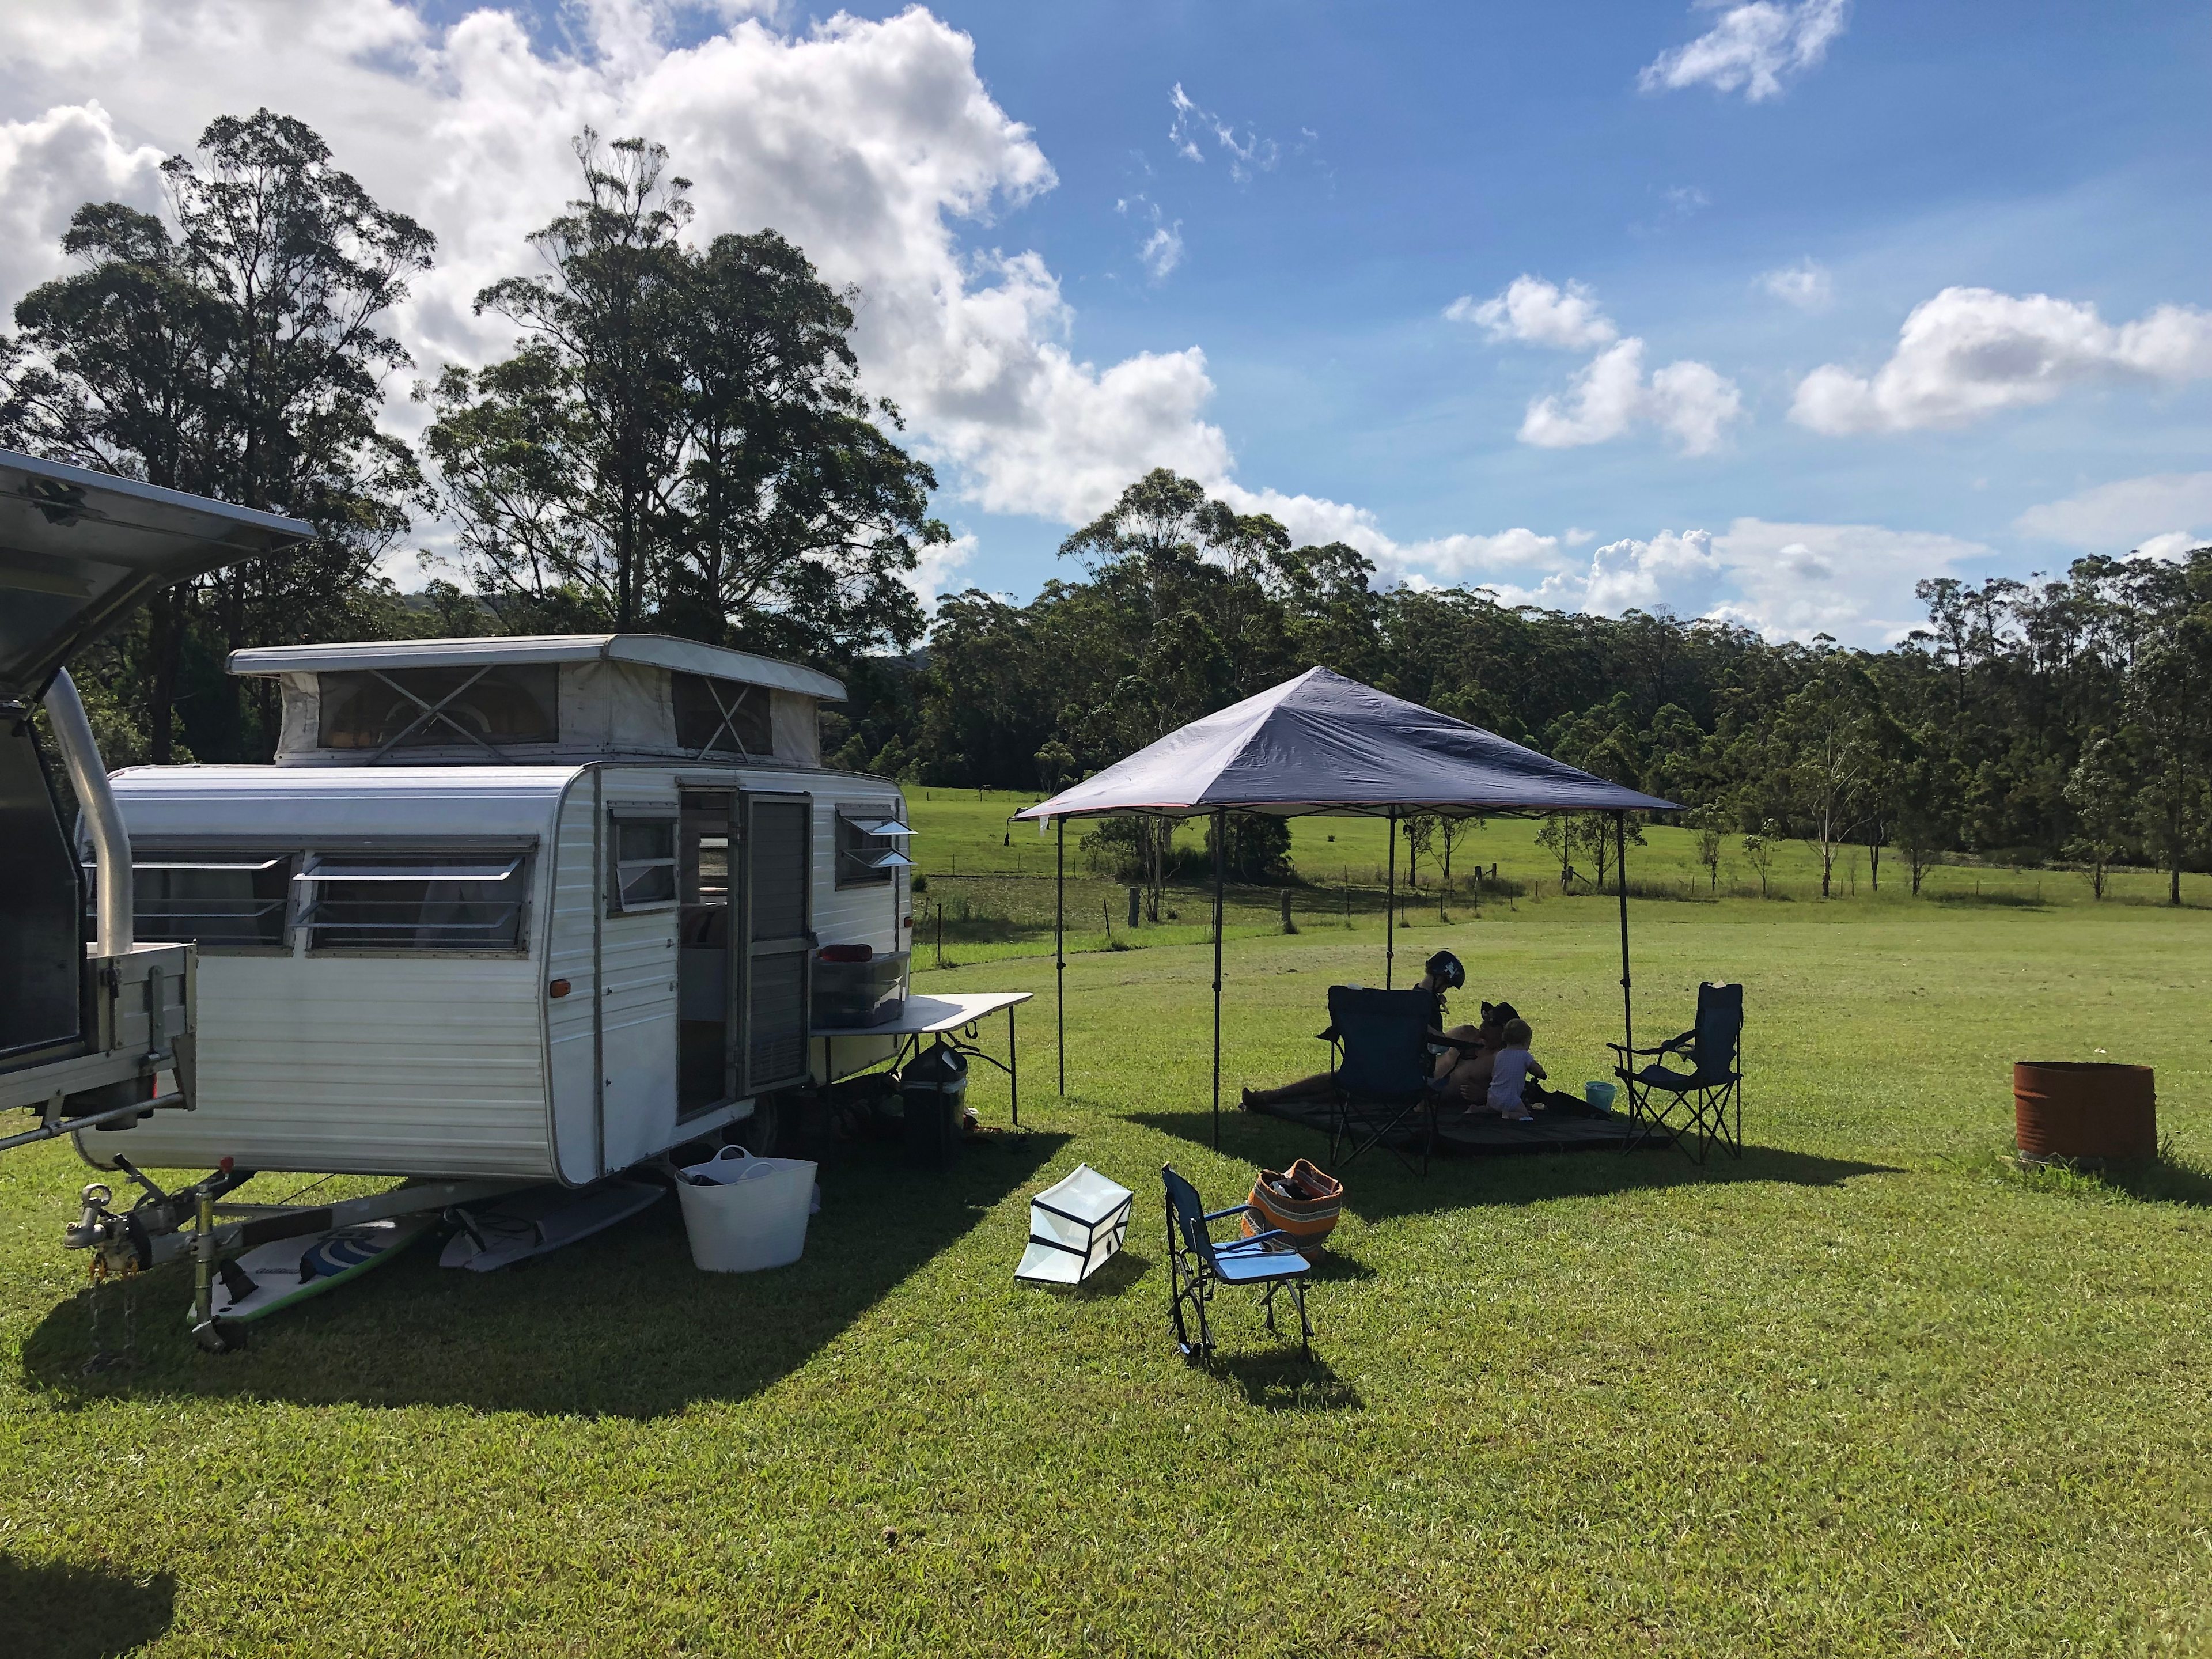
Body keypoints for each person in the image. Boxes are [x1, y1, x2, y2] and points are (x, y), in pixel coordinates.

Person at [1238, 951, 1476, 1111]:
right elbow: (1434, 1044)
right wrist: (1463, 1045)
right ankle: (1272, 1099)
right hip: (1406, 1080)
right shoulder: (1423, 1008)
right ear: (1439, 979)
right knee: (1338, 1090)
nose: (1445, 990)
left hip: (1374, 1069)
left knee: (1337, 1085)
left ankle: (1272, 1098)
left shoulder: (1406, 1002)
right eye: (1446, 986)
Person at [1480, 1018, 1546, 1122]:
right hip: (1510, 1098)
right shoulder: (1525, 1056)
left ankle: (1476, 1110)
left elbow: (1495, 1074)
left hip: (1493, 1096)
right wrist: (1542, 1074)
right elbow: (1537, 1069)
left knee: (1490, 1110)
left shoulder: (1500, 1054)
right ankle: (1508, 1115)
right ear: (1525, 1042)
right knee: (1525, 1115)